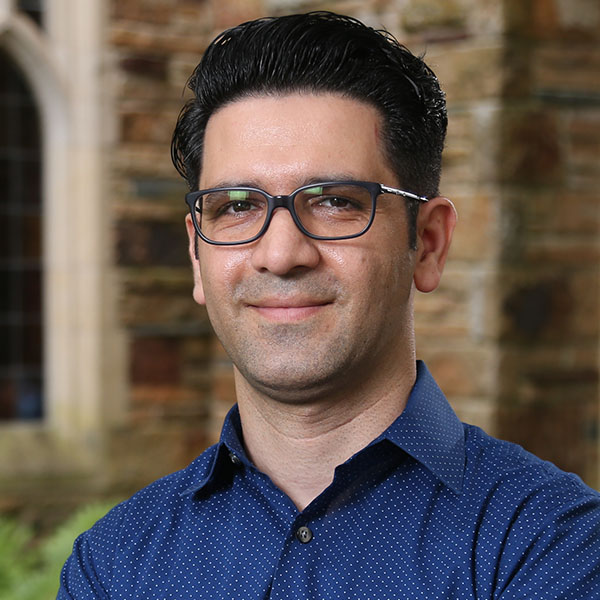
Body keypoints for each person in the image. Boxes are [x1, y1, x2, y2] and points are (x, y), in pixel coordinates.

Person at [58, 11, 600, 599]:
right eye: (236, 205)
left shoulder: (548, 544)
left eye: (336, 202)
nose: (281, 253)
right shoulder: (114, 563)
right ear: (197, 254)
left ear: (430, 244)